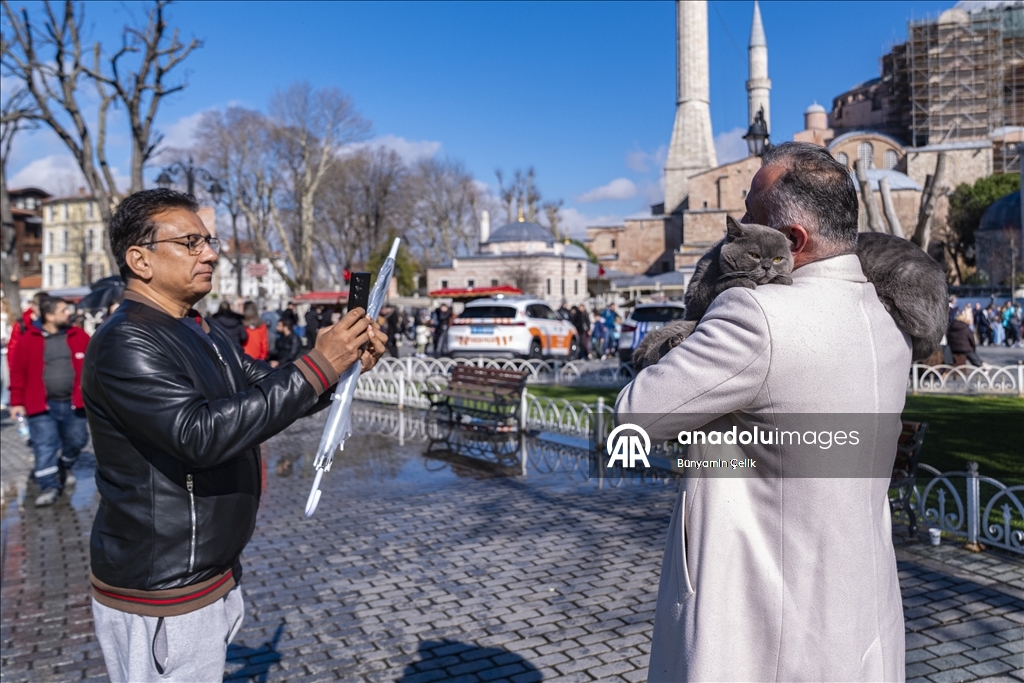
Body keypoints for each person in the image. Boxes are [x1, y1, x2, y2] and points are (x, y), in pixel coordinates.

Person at [617, 142, 916, 682]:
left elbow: (634, 417)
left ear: (794, 241)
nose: (735, 232)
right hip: (860, 615)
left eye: (752, 218)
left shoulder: (757, 315)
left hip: (763, 623)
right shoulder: (887, 320)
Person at [81, 189, 385, 682]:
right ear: (140, 259)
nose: (210, 253)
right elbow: (199, 435)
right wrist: (318, 365)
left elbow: (267, 389)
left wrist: (341, 367)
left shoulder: (194, 326)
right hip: (163, 586)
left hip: (206, 571)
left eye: (209, 240)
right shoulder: (127, 339)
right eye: (190, 242)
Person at [9, 296, 91, 507]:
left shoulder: (79, 336)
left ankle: (63, 465)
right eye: (63, 310)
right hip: (42, 405)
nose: (68, 314)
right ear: (49, 315)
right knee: (44, 446)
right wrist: (16, 402)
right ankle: (48, 486)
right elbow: (17, 373)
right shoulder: (29, 340)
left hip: (74, 403)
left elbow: (94, 365)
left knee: (78, 440)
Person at [5, 290, 48, 376]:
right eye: (40, 307)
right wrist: (14, 372)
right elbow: (13, 349)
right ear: (33, 306)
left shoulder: (53, 323)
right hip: (28, 369)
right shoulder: (22, 323)